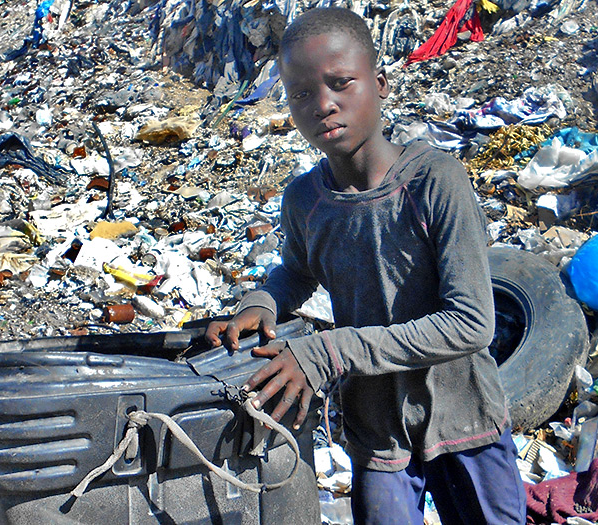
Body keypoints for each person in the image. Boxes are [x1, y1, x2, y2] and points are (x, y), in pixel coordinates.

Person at [206, 7, 527, 524]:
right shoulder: (306, 199)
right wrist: (261, 301)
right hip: (377, 425)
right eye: (303, 94)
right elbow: (296, 269)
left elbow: (470, 323)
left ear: (378, 84)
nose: (324, 106)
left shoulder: (433, 181)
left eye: (340, 84)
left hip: (462, 416)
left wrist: (329, 351)